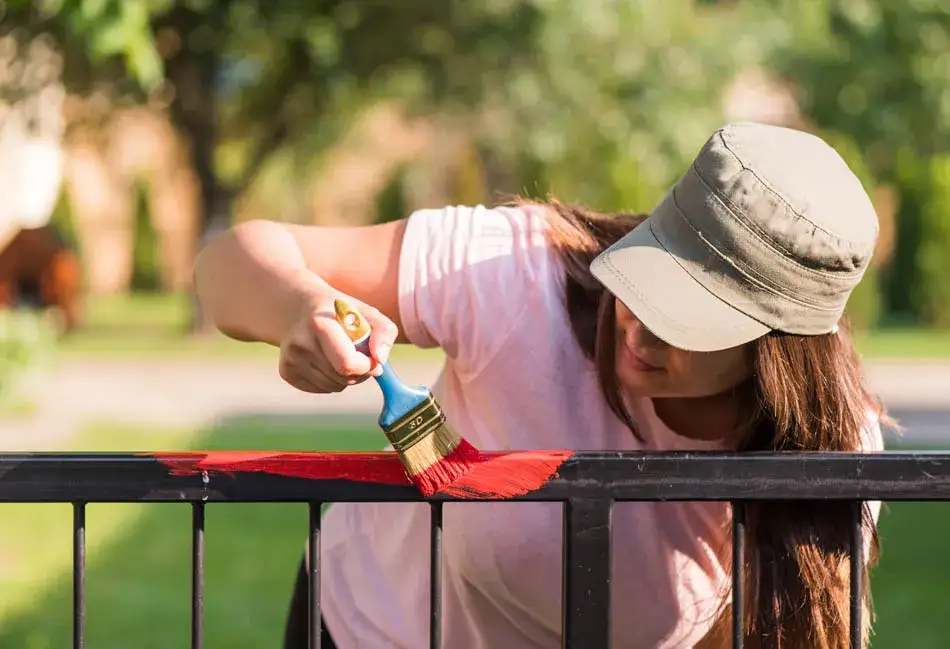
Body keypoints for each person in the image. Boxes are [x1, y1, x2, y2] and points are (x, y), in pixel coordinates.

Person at [193, 122, 888, 649]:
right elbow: (231, 261)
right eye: (646, 278)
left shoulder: (835, 456)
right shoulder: (517, 273)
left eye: (689, 321)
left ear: (778, 353)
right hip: (373, 629)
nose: (639, 332)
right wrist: (300, 308)